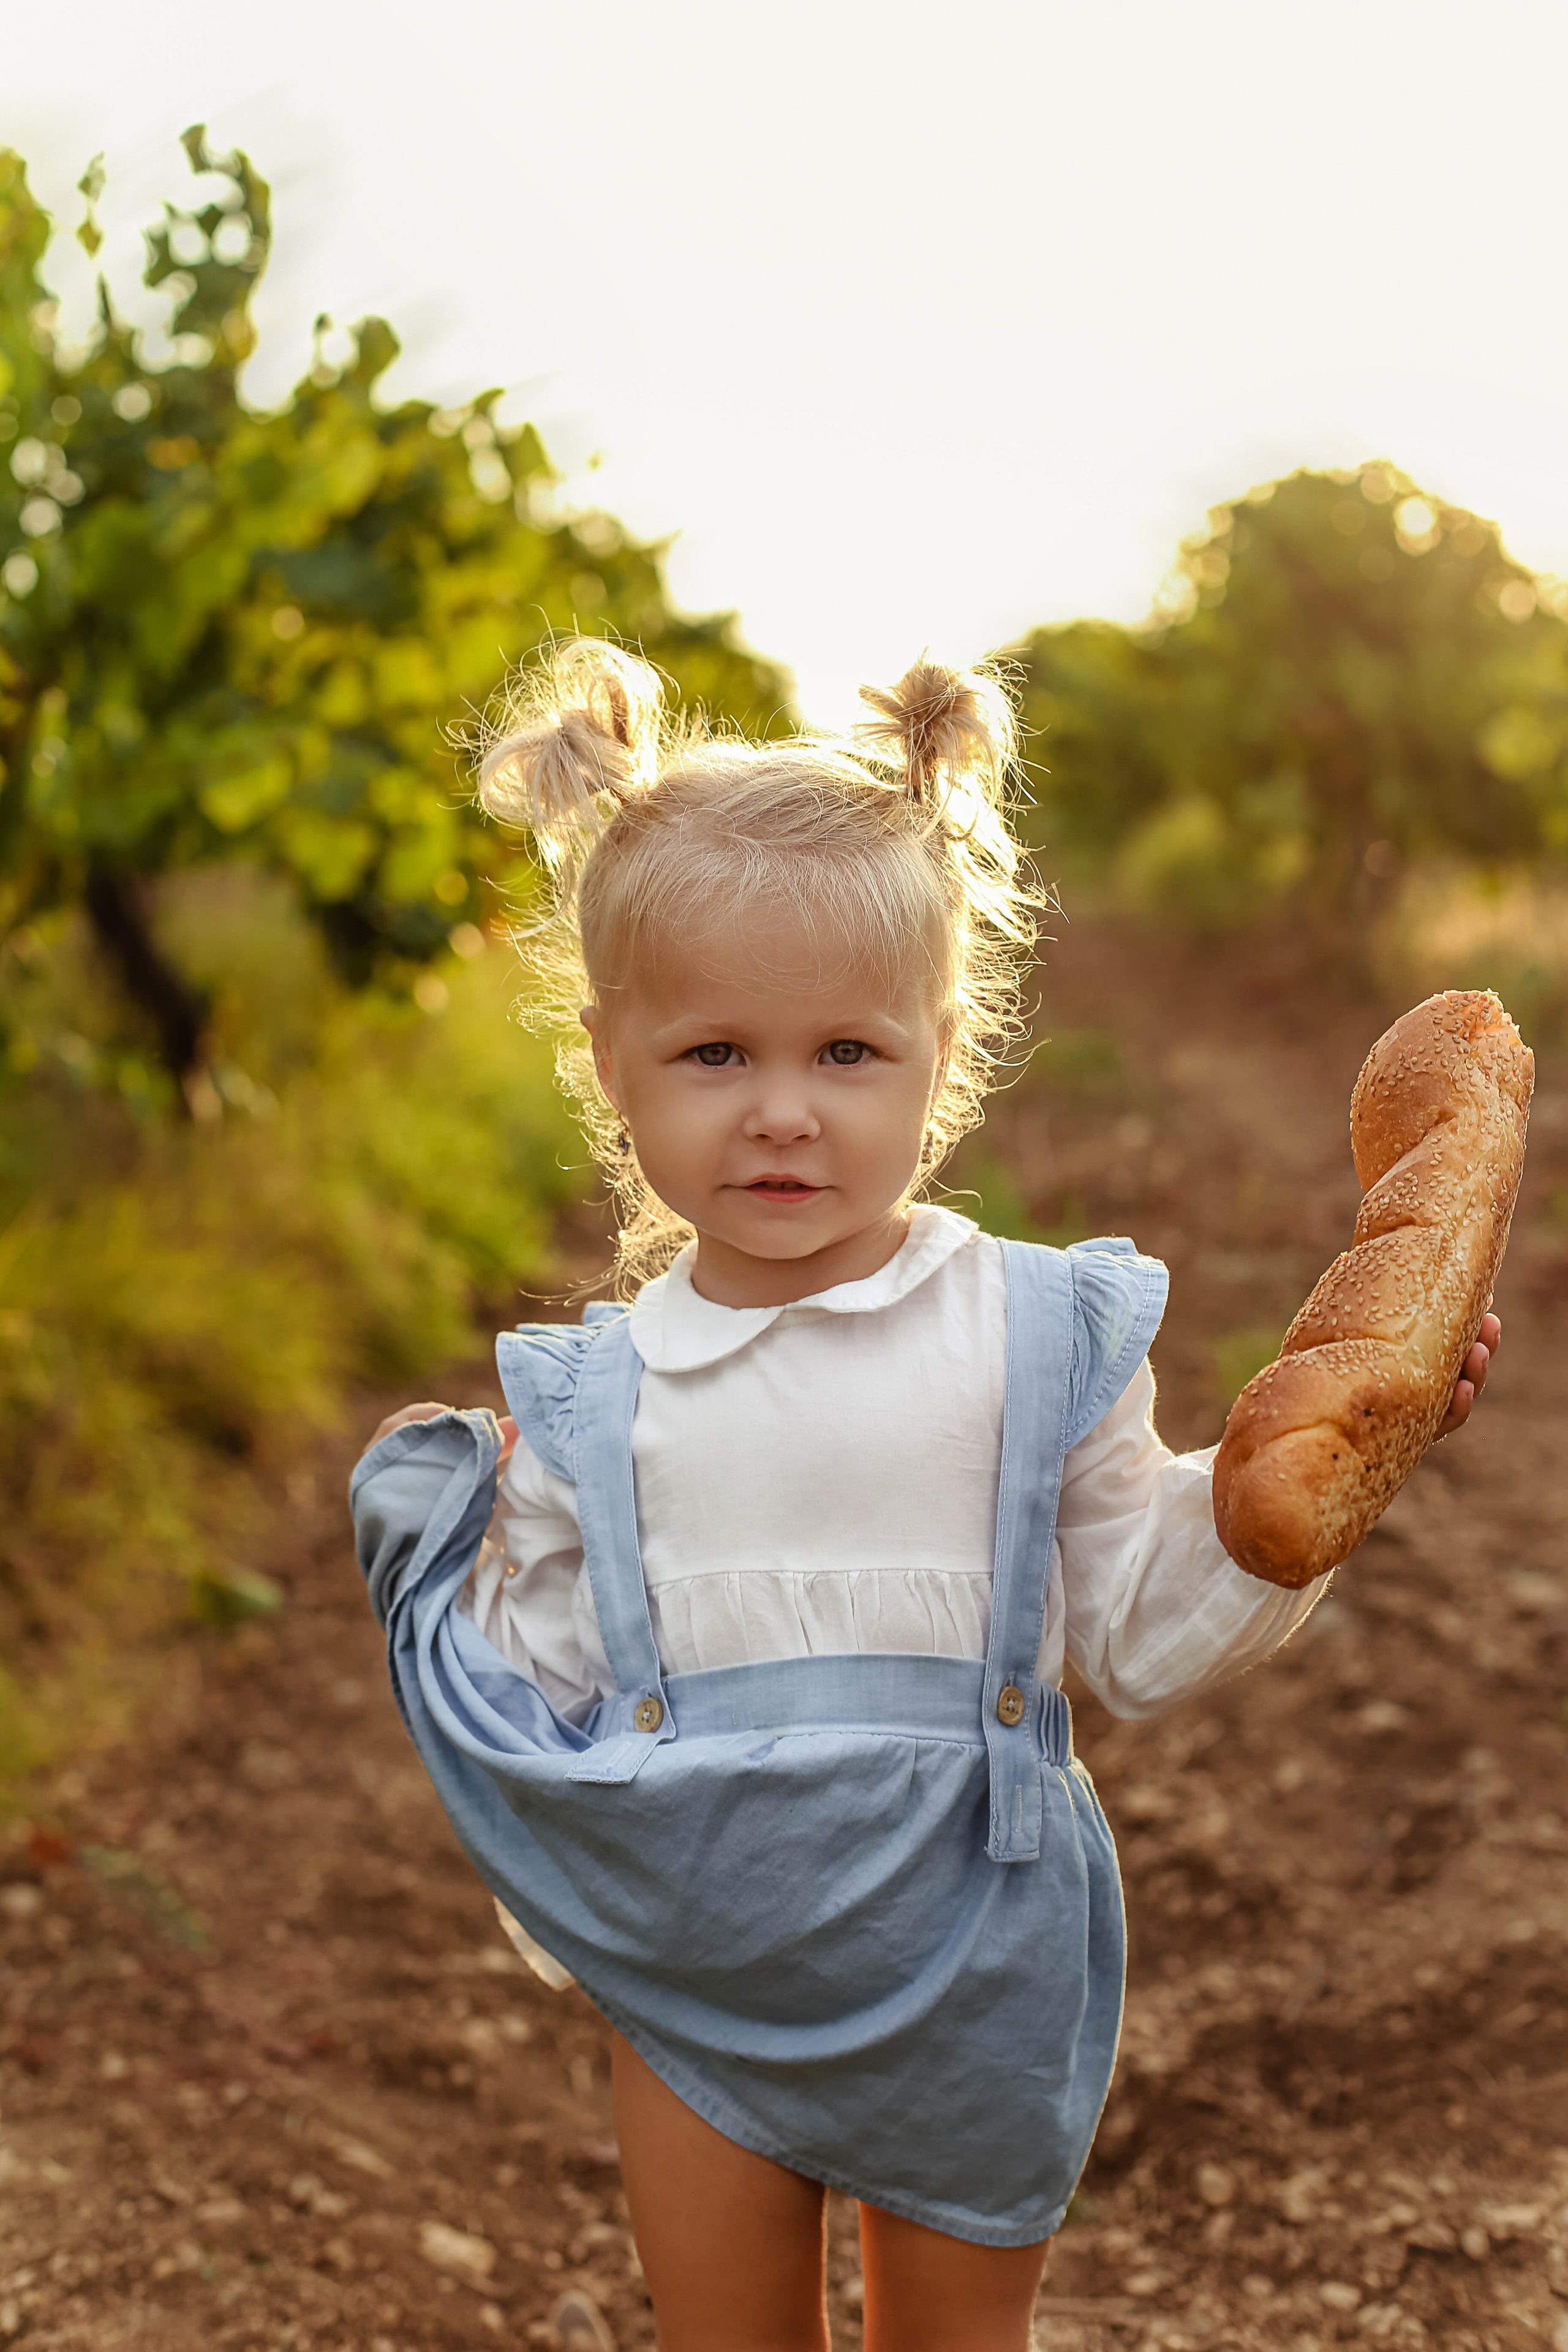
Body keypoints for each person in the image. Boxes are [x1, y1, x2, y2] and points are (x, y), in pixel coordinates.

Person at [352, 643, 1496, 2352]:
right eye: (717, 1055)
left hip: (978, 1938)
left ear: (943, 1050)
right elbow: (543, 1735)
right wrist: (472, 1555)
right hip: (700, 1972)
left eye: (850, 1052)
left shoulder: (1035, 1334)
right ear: (610, 1062)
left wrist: (1319, 1487)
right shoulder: (592, 1403)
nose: (787, 1114)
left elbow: (1140, 1622)